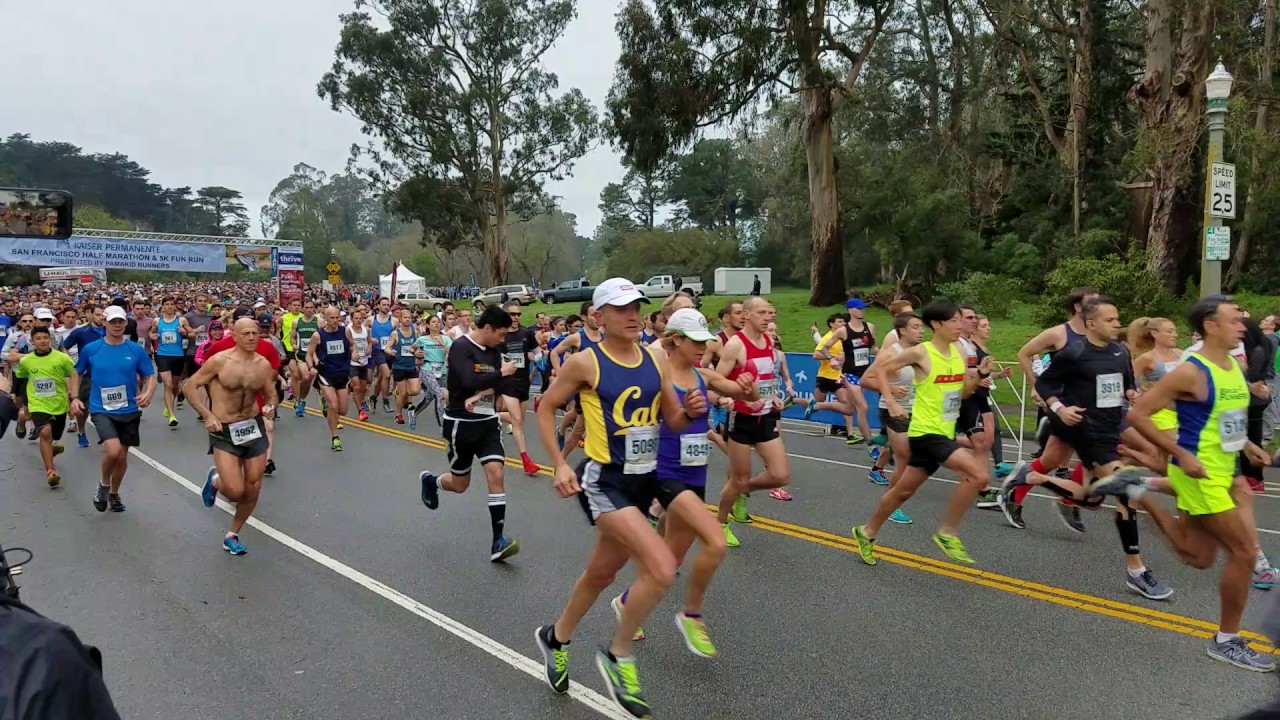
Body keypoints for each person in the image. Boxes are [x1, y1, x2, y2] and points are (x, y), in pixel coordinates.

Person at [532, 279, 708, 717]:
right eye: (621, 308)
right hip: (604, 479)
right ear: (599, 316)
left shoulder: (655, 358)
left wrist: (691, 411)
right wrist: (559, 463)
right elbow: (546, 407)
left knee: (602, 573)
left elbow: (672, 419)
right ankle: (618, 655)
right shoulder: (585, 362)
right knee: (661, 566)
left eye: (636, 308)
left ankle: (556, 637)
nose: (632, 316)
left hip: (643, 480)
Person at [1122, 297, 1276, 671]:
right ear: (1210, 325)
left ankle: (1137, 492)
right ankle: (1227, 640)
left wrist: (1247, 445)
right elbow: (1138, 414)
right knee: (1243, 553)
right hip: (1197, 472)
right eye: (1233, 320)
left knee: (1200, 556)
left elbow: (1226, 418)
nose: (1242, 326)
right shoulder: (1191, 371)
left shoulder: (1232, 366)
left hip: (1222, 470)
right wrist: (1181, 454)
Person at [997, 298, 1174, 600]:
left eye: (1117, 319)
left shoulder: (1120, 352)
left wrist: (1131, 393)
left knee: (1089, 497)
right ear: (1091, 323)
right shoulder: (1074, 353)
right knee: (1127, 493)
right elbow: (1045, 384)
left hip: (1111, 426)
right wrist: (1059, 408)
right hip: (1087, 430)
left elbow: (1126, 384)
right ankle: (1136, 571)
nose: (1117, 324)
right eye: (1110, 320)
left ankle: (1032, 477)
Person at [611, 308, 757, 653]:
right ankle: (691, 614)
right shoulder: (656, 376)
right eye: (696, 341)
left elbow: (744, 394)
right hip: (665, 473)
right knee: (716, 542)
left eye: (706, 341)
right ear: (675, 340)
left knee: (671, 560)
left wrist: (747, 388)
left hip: (695, 473)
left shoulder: (703, 375)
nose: (703, 347)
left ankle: (625, 602)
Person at [851, 299, 993, 565]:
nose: (960, 325)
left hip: (945, 431)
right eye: (954, 320)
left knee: (902, 492)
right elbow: (880, 369)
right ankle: (948, 532)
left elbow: (963, 393)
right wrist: (891, 400)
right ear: (937, 324)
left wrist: (979, 376)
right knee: (978, 474)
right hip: (926, 432)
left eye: (961, 320)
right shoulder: (921, 353)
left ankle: (866, 532)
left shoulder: (960, 354)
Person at [418, 306, 521, 561]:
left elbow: (503, 383)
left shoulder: (495, 351)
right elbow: (467, 381)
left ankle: (498, 541)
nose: (503, 340)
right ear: (488, 328)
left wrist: (485, 392)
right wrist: (499, 374)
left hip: (487, 423)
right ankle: (431, 481)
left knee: (496, 473)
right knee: (460, 484)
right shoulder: (461, 348)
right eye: (501, 334)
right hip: (459, 425)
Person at [188, 318, 278, 556]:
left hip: (252, 426)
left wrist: (270, 406)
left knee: (254, 486)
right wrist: (207, 414)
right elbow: (189, 386)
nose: (251, 337)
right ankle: (216, 481)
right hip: (224, 429)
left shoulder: (263, 365)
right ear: (234, 336)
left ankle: (232, 534)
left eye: (254, 333)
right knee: (235, 491)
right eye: (245, 333)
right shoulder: (220, 361)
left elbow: (271, 394)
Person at [713, 295, 790, 546]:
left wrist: (774, 396)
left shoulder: (768, 340)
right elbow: (716, 381)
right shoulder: (736, 345)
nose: (768, 317)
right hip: (741, 418)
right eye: (762, 313)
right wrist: (726, 398)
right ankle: (721, 522)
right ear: (747, 315)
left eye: (770, 313)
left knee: (780, 476)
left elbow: (767, 376)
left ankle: (744, 490)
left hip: (765, 416)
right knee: (738, 479)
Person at [70, 305, 157, 513]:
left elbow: (150, 374)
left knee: (121, 458)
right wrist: (74, 397)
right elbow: (77, 371)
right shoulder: (92, 349)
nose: (117, 325)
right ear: (104, 323)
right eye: (112, 322)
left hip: (128, 409)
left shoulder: (134, 349)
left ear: (126, 323)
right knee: (113, 450)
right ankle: (103, 485)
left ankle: (114, 493)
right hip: (101, 409)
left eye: (120, 321)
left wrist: (148, 392)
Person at [14, 326, 74, 487]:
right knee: (45, 433)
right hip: (37, 402)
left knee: (55, 435)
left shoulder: (62, 358)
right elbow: (20, 378)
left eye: (45, 338)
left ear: (50, 339)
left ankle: (50, 450)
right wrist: (19, 399)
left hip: (59, 402)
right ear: (32, 342)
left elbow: (74, 373)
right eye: (38, 338)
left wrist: (72, 393)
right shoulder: (26, 360)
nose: (42, 341)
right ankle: (50, 471)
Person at [497, 301, 542, 476]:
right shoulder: (499, 335)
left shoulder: (527, 333)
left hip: (523, 382)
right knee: (516, 419)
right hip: (507, 382)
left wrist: (535, 358)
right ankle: (526, 460)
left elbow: (538, 353)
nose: (516, 317)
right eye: (512, 314)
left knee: (519, 421)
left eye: (518, 314)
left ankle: (490, 415)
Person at [306, 306, 353, 450]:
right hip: (326, 374)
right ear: (325, 318)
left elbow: (352, 345)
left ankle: (326, 403)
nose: (335, 320)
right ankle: (335, 437)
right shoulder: (318, 335)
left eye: (337, 317)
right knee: (334, 405)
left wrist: (355, 353)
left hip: (343, 373)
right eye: (331, 318)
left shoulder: (345, 331)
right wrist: (311, 367)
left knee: (342, 410)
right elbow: (309, 354)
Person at [149, 296, 186, 429]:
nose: (169, 307)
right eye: (167, 304)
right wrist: (152, 336)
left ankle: (170, 403)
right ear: (163, 306)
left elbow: (191, 334)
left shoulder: (181, 320)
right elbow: (151, 333)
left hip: (178, 355)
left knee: (175, 386)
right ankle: (171, 415)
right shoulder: (157, 320)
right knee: (167, 384)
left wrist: (185, 332)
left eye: (171, 304)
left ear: (174, 306)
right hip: (162, 355)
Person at [289, 300, 320, 418]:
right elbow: (292, 337)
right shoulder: (297, 322)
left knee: (309, 379)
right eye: (307, 307)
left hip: (314, 355)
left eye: (311, 307)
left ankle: (301, 400)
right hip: (301, 355)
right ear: (303, 308)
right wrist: (294, 344)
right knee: (306, 376)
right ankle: (299, 401)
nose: (309, 310)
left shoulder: (319, 321)